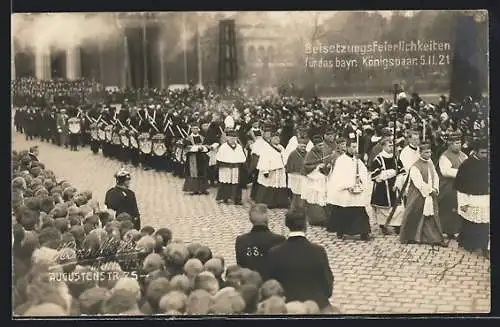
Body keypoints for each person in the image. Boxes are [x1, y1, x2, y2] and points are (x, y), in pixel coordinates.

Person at [267, 211, 334, 313]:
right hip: (317, 305)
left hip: (287, 306)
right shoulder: (318, 251)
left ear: (287, 225)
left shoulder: (274, 252)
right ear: (305, 225)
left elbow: (272, 282)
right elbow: (327, 279)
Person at [399, 142, 447, 246]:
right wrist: (429, 190)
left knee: (431, 215)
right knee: (415, 214)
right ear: (420, 153)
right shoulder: (415, 166)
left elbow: (435, 176)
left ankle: (433, 238)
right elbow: (418, 182)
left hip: (430, 193)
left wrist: (435, 187)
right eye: (426, 152)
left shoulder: (430, 163)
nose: (429, 154)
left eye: (430, 152)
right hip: (418, 195)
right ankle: (410, 236)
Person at [326, 136, 371, 241]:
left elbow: (363, 172)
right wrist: (347, 184)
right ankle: (340, 231)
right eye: (353, 147)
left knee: (360, 211)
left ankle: (364, 233)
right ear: (347, 148)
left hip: (356, 190)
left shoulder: (357, 160)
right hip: (345, 191)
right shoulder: (341, 160)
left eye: (356, 147)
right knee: (342, 211)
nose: (355, 149)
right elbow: (337, 175)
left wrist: (361, 179)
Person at [455, 138, 489, 258]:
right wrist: (463, 202)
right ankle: (470, 244)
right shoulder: (466, 165)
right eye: (482, 153)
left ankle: (483, 245)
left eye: (486, 153)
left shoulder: (488, 162)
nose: (485, 155)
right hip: (471, 199)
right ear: (475, 152)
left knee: (485, 223)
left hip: (485, 198)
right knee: (471, 223)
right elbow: (460, 185)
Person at [235, 204, 285, 280]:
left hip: (249, 282)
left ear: (250, 220)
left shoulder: (241, 241)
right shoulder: (279, 240)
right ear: (267, 218)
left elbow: (240, 265)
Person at [370, 137, 405, 235]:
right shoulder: (378, 159)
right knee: (383, 209)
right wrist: (390, 173)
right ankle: (383, 225)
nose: (391, 148)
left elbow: (402, 171)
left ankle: (397, 225)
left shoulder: (395, 158)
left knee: (398, 207)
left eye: (392, 146)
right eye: (389, 146)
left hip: (395, 187)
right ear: (383, 146)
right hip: (383, 188)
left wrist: (398, 181)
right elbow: (375, 175)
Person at [301, 131, 337, 226]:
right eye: (319, 146)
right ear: (315, 145)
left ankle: (324, 218)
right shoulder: (310, 154)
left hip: (322, 179)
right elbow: (306, 166)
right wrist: (317, 166)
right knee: (315, 198)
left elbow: (325, 162)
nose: (321, 147)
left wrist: (328, 165)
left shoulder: (323, 152)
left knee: (323, 197)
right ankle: (316, 219)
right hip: (314, 181)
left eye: (322, 145)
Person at [438, 133, 468, 240]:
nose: (458, 145)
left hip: (460, 185)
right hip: (448, 186)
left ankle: (457, 230)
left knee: (459, 206)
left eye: (460, 143)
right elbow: (446, 171)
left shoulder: (463, 155)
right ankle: (445, 229)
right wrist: (462, 172)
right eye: (456, 143)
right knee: (448, 207)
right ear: (450, 144)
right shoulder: (445, 156)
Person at [252, 130, 289, 209]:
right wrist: (265, 171)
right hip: (270, 170)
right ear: (271, 139)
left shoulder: (281, 147)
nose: (277, 140)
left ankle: (280, 202)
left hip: (280, 170)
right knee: (268, 186)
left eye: (278, 138)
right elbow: (263, 159)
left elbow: (285, 157)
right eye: (275, 138)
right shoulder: (267, 148)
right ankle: (268, 202)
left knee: (279, 186)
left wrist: (285, 166)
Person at [215, 130, 247, 205]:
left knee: (236, 183)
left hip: (236, 167)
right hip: (225, 167)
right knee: (225, 182)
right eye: (231, 138)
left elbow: (242, 157)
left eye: (234, 138)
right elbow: (219, 157)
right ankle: (224, 197)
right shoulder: (223, 147)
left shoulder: (239, 147)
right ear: (227, 138)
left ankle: (237, 199)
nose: (233, 140)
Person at [182, 123, 210, 195]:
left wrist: (203, 148)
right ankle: (194, 189)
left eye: (196, 128)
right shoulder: (188, 138)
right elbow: (186, 147)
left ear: (198, 129)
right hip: (192, 158)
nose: (195, 130)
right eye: (193, 128)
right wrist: (196, 148)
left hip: (201, 158)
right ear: (191, 129)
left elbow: (207, 146)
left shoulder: (202, 137)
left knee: (203, 172)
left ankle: (203, 189)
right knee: (193, 173)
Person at [285, 130, 309, 212]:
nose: (303, 148)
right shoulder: (293, 154)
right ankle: (295, 207)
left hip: (304, 176)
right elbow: (289, 165)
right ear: (298, 146)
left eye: (304, 147)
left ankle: (302, 207)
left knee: (303, 192)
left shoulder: (308, 154)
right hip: (295, 176)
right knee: (296, 193)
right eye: (301, 146)